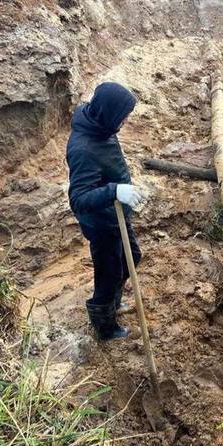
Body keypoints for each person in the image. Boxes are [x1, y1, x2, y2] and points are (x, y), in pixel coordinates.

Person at [66, 82, 146, 341]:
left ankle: (114, 302)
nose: (125, 120)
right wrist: (114, 191)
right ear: (108, 113)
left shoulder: (101, 125)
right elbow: (78, 199)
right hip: (101, 223)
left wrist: (124, 191)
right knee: (109, 273)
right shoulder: (83, 149)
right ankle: (105, 325)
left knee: (131, 258)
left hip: (116, 215)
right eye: (122, 116)